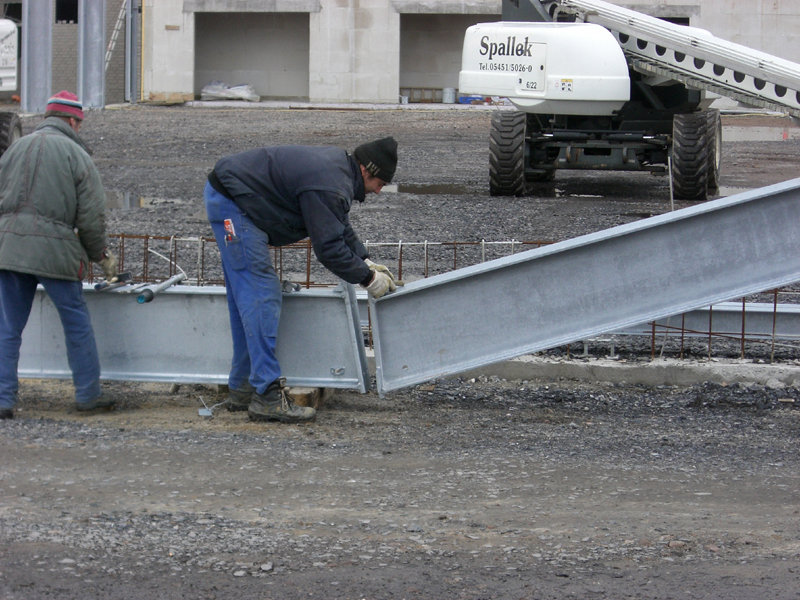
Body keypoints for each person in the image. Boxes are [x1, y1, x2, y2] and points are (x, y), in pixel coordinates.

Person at [205, 137, 400, 424]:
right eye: (380, 183)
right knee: (261, 293)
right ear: (366, 170)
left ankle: (243, 387)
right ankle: (267, 396)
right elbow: (329, 248)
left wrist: (365, 259)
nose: (379, 191)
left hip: (237, 197)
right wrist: (368, 279)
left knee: (245, 296)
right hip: (233, 204)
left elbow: (337, 223)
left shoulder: (337, 174)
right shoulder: (331, 183)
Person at [0, 91, 118, 420]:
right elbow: (91, 218)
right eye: (79, 123)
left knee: (7, 327)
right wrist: (101, 256)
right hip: (56, 252)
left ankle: (3, 399)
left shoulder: (13, 150)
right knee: (75, 322)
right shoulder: (77, 155)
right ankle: (88, 395)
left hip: (9, 250)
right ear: (72, 121)